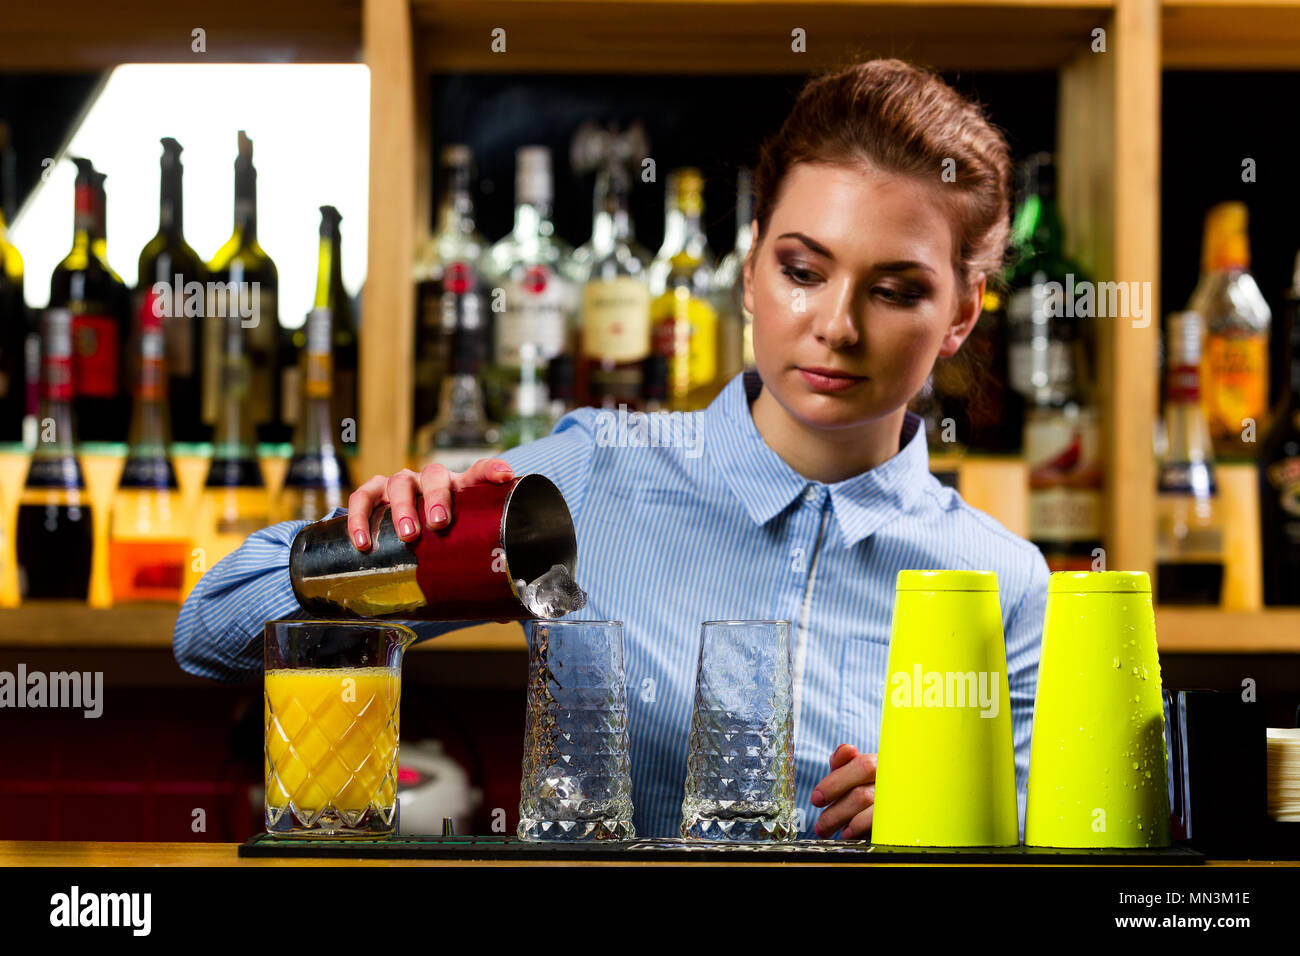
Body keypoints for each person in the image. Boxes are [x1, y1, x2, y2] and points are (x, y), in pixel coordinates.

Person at [174, 57, 1049, 841]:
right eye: (802, 270)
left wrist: (938, 818)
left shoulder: (1003, 583)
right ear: (750, 273)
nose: (836, 326)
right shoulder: (597, 475)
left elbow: (1053, 866)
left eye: (895, 290)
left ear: (962, 315)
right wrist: (376, 547)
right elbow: (209, 631)